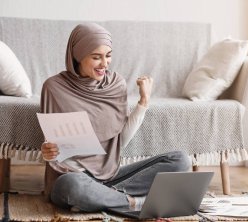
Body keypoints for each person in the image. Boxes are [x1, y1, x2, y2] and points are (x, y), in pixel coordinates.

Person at [40, 23, 190, 213]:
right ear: (77, 55)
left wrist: (144, 101)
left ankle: (105, 198)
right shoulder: (54, 88)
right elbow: (50, 148)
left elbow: (120, 143)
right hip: (72, 176)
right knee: (72, 186)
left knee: (179, 160)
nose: (104, 64)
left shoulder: (115, 84)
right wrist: (47, 151)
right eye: (96, 57)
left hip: (110, 176)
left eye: (108, 56)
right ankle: (134, 203)